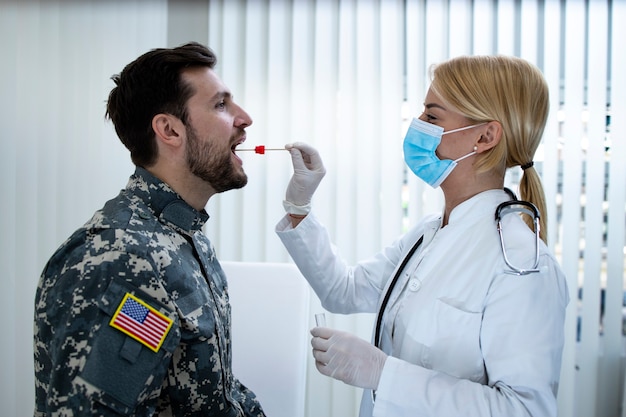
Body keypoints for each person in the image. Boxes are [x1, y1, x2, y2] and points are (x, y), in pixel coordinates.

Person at [276, 55, 569, 417]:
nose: (416, 126)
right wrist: (299, 206)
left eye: (432, 116)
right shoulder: (428, 234)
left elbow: (524, 410)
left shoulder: (523, 263)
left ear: (484, 136)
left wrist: (385, 374)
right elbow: (344, 291)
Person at [33, 42, 265, 416]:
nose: (244, 118)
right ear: (170, 130)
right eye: (221, 105)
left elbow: (215, 392)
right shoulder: (121, 257)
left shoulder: (181, 236)